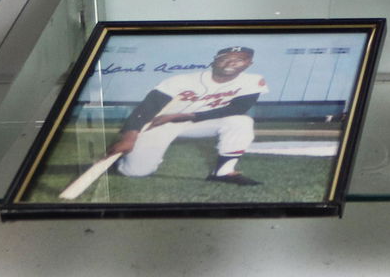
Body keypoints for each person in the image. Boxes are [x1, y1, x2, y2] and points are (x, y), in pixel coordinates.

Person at [105, 45, 268, 186]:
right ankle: (121, 160)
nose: (231, 63)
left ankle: (223, 172)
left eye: (240, 59)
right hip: (162, 123)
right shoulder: (181, 80)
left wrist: (184, 116)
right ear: (215, 60)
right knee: (136, 172)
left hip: (200, 122)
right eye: (225, 58)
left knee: (241, 121)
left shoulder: (253, 80)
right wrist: (129, 138)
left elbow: (237, 109)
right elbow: (146, 108)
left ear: (249, 63)